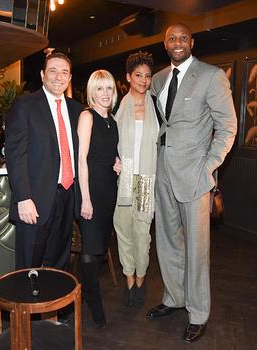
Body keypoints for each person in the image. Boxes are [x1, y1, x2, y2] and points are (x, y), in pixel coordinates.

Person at [146, 23, 237, 342]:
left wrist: (207, 168)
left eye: (183, 37)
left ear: (192, 42)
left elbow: (228, 128)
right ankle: (174, 298)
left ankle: (198, 313)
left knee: (197, 249)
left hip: (195, 177)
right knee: (167, 242)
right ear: (165, 44)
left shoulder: (211, 76)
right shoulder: (157, 80)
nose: (178, 42)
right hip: (163, 174)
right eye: (172, 38)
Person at [5, 52, 83, 270]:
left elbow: (86, 151)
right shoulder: (25, 105)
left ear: (69, 78)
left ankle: (53, 305)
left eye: (64, 72)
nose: (59, 77)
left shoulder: (77, 110)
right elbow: (15, 154)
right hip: (35, 201)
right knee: (29, 265)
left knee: (59, 264)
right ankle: (28, 304)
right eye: (53, 71)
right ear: (42, 75)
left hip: (68, 198)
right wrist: (23, 197)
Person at [113, 51, 159, 308]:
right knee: (123, 230)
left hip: (146, 179)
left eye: (147, 76)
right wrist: (114, 161)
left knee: (142, 233)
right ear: (129, 77)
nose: (143, 80)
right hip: (125, 178)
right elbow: (110, 142)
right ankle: (129, 280)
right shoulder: (122, 106)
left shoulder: (157, 105)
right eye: (138, 75)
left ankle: (141, 281)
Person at [77, 69, 119, 328]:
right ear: (92, 92)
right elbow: (82, 160)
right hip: (90, 189)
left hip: (108, 190)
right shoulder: (87, 116)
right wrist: (85, 199)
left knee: (101, 247)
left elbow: (108, 152)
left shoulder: (112, 120)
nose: (105, 94)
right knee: (90, 251)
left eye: (109, 89)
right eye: (100, 89)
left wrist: (118, 163)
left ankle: (85, 294)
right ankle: (94, 303)